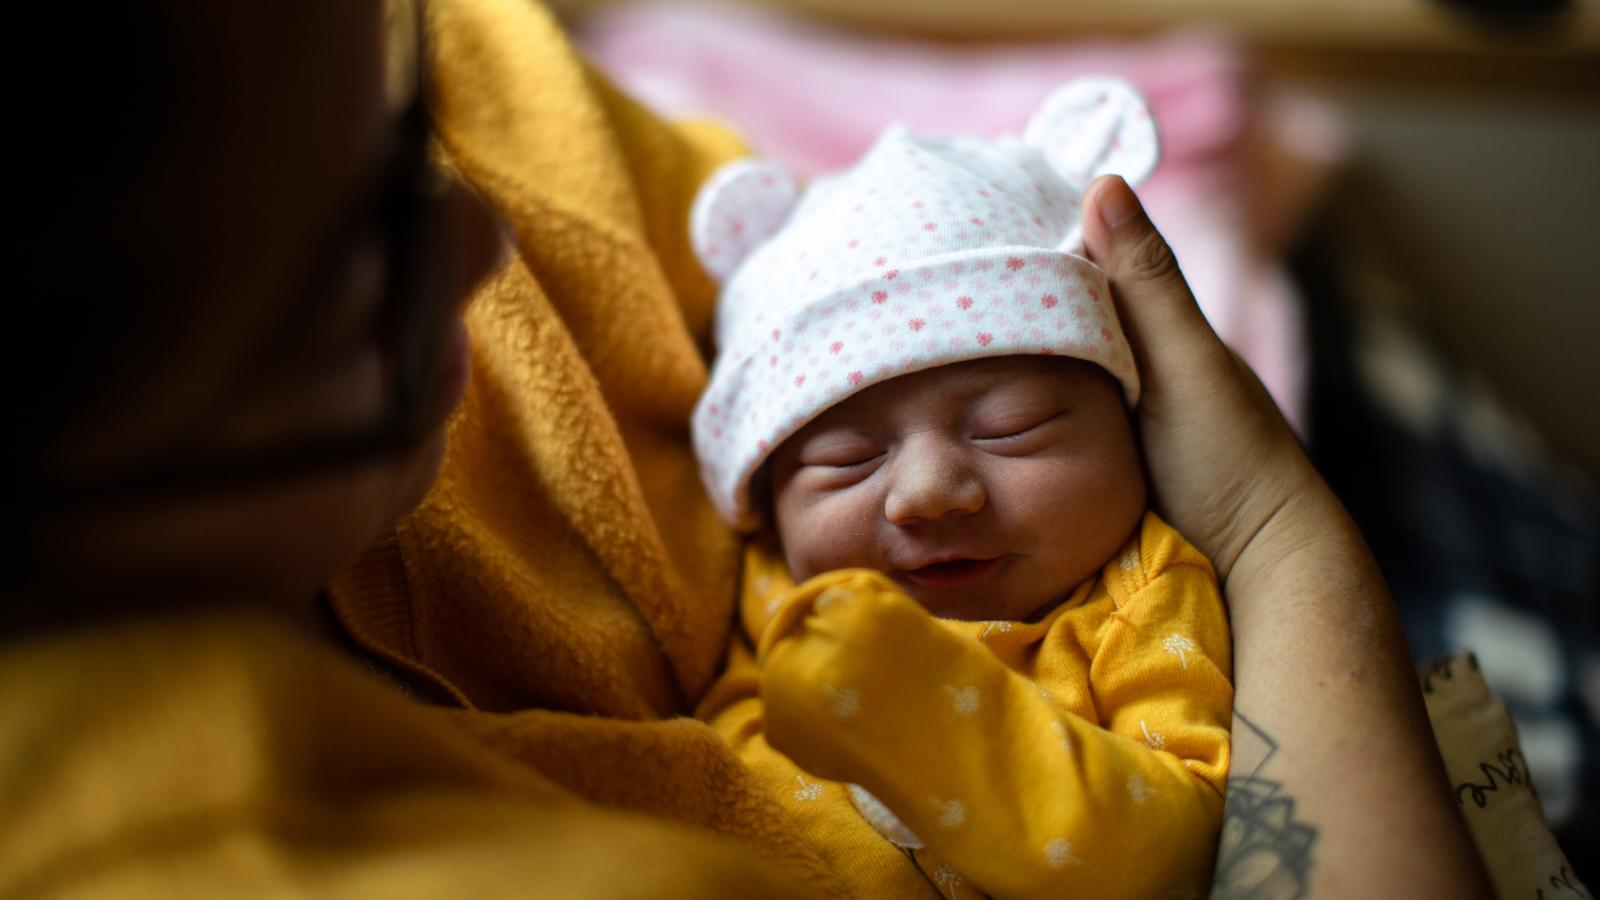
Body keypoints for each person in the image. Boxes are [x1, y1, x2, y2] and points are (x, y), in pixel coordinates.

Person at [2, 0, 1491, 897]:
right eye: (363, 236)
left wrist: (1262, 523)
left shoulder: (1144, 593)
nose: (480, 245)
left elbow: (1178, 822)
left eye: (1015, 425)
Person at [689, 82, 1231, 898]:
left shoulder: (1142, 594)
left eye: (1011, 427)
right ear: (764, 499)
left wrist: (935, 718)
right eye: (848, 458)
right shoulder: (773, 579)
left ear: (1130, 427)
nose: (930, 493)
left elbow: (1178, 851)